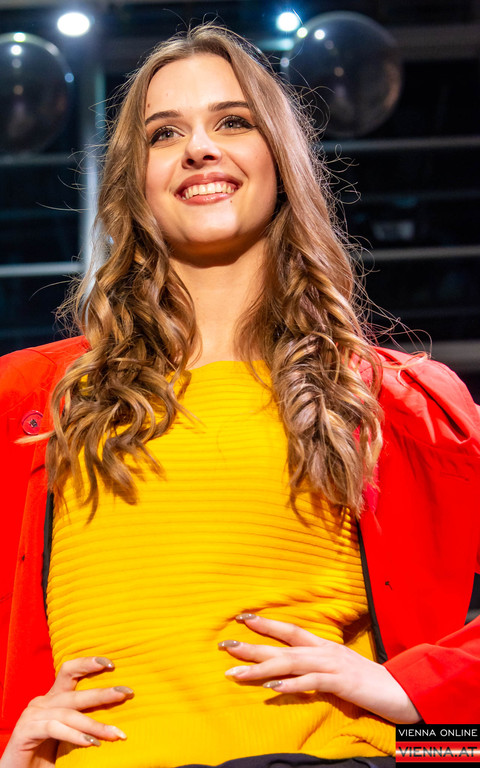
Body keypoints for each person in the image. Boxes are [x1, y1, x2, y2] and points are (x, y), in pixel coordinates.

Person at [0, 22, 480, 768]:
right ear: (135, 181)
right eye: (164, 133)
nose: (199, 148)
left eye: (233, 121)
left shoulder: (396, 401)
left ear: (280, 159)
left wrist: (417, 695)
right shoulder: (33, 399)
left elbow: (449, 728)